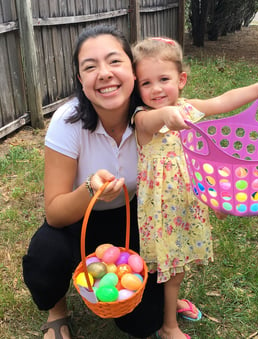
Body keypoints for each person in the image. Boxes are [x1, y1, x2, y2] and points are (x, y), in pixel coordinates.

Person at [131, 37, 258, 339]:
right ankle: (168, 326)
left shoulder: (188, 108)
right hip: (161, 212)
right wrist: (167, 116)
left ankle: (171, 305)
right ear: (137, 87)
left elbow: (221, 102)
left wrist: (257, 89)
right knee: (172, 270)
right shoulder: (141, 117)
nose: (157, 89)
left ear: (181, 79)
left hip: (189, 202)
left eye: (164, 79)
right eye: (147, 83)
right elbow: (153, 122)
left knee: (180, 265)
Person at [22, 25, 165, 339]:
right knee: (47, 255)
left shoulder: (153, 115)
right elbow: (55, 213)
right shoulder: (67, 122)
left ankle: (164, 296)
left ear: (133, 69)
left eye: (115, 62)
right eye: (90, 67)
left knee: (143, 323)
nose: (104, 73)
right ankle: (57, 310)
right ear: (80, 80)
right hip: (78, 220)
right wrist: (90, 190)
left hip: (132, 217)